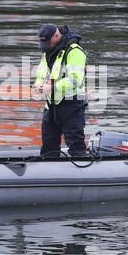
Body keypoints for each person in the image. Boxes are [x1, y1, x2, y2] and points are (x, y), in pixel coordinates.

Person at [33, 24, 88, 157]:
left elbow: (75, 80)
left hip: (72, 105)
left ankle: (82, 168)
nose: (46, 46)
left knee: (75, 143)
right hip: (51, 105)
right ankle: (48, 168)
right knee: (48, 146)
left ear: (57, 36)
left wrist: (51, 87)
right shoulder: (48, 51)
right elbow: (42, 73)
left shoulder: (74, 52)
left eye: (48, 43)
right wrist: (39, 86)